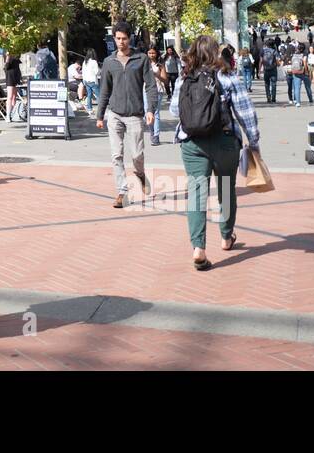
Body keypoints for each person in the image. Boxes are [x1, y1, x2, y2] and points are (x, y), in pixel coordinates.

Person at [170, 34, 259, 271]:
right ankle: (226, 237)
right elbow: (245, 113)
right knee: (227, 189)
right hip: (225, 142)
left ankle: (198, 247)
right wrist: (254, 141)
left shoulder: (184, 77)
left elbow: (172, 110)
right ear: (216, 53)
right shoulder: (228, 76)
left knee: (197, 193)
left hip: (192, 143)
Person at [94, 22, 156, 208]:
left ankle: (140, 173)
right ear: (114, 39)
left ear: (130, 39)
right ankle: (122, 192)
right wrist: (100, 115)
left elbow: (151, 86)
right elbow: (104, 90)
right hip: (115, 114)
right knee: (117, 155)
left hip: (135, 114)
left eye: (124, 38)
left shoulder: (141, 59)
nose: (121, 42)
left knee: (137, 154)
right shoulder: (109, 62)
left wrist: (150, 109)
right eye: (118, 38)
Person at [146, 44, 170, 145]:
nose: (151, 55)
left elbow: (165, 80)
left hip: (157, 89)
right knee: (146, 112)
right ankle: (151, 132)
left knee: (155, 113)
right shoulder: (145, 64)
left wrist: (157, 75)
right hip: (145, 89)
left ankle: (156, 135)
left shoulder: (160, 64)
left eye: (153, 53)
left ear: (157, 53)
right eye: (149, 53)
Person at [4, 53, 23, 121]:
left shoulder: (16, 57)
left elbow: (18, 68)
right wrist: (7, 58)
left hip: (16, 78)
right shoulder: (8, 56)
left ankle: (12, 113)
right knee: (10, 96)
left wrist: (20, 77)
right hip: (10, 78)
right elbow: (6, 68)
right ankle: (8, 115)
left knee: (14, 97)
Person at [261, 39, 280, 104]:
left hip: (266, 69)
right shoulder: (274, 51)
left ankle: (268, 98)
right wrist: (278, 64)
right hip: (273, 69)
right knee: (274, 84)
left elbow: (261, 61)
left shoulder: (263, 51)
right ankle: (273, 98)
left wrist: (259, 69)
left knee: (267, 84)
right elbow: (278, 60)